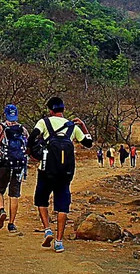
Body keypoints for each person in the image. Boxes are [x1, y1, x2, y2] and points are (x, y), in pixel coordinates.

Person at [27, 96, 93, 253]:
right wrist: (83, 126)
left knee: (41, 200)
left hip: (46, 170)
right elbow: (88, 144)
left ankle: (47, 229)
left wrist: (30, 153)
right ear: (63, 110)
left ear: (50, 110)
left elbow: (31, 138)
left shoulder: (44, 122)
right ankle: (59, 241)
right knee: (62, 205)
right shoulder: (72, 127)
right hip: (65, 172)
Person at [0, 104, 28, 233]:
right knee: (14, 194)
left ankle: (1, 210)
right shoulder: (22, 129)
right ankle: (11, 224)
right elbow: (27, 147)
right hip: (18, 166)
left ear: (5, 114)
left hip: (2, 164)